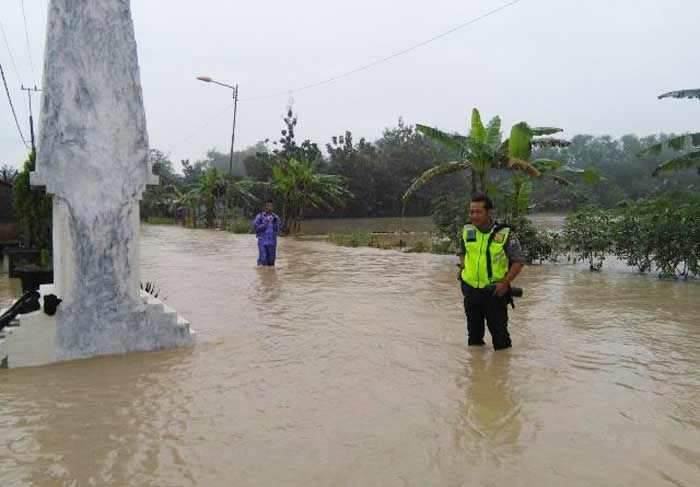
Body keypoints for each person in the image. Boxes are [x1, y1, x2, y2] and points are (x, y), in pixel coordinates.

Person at [457, 192, 525, 350]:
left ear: (488, 212)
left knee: (501, 341)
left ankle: (501, 372)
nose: (474, 215)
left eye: (478, 212)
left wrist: (505, 283)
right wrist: (463, 268)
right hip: (471, 291)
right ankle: (476, 371)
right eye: (471, 211)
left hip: (495, 292)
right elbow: (462, 251)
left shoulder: (504, 233)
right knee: (474, 338)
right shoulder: (467, 230)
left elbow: (519, 260)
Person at [252, 199, 281, 267]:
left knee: (271, 262)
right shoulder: (260, 216)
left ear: (273, 207)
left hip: (272, 243)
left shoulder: (276, 217)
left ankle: (269, 276)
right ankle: (261, 276)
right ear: (264, 207)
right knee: (263, 260)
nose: (269, 207)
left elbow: (278, 230)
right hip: (262, 242)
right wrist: (265, 223)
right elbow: (256, 228)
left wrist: (275, 223)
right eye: (268, 206)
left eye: (271, 206)